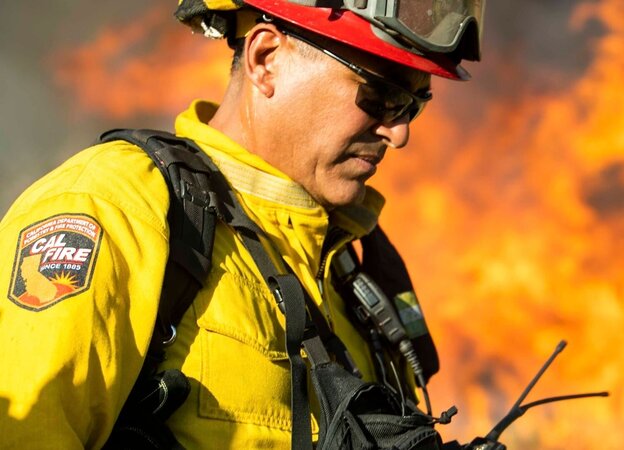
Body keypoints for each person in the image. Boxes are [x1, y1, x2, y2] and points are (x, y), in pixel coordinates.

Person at [0, 0, 483, 448]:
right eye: (380, 97)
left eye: (414, 106)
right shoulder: (115, 207)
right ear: (266, 58)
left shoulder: (353, 276)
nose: (398, 134)